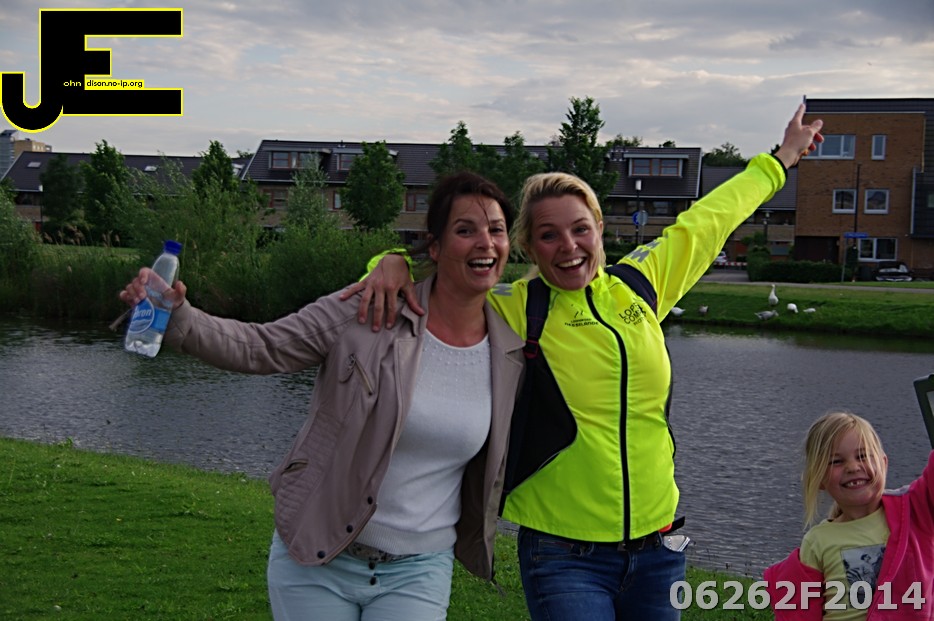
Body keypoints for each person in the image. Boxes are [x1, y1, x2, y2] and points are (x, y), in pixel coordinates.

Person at [345, 103, 825, 620]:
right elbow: (435, 276)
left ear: (599, 227)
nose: (568, 247)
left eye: (580, 229)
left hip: (659, 547)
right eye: (548, 235)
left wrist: (782, 158)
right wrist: (390, 260)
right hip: (562, 552)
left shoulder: (640, 286)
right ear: (528, 246)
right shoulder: (512, 309)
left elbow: (713, 217)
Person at [118, 171, 525, 621]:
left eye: (496, 230)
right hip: (317, 557)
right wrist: (179, 316)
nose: (485, 243)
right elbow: (262, 347)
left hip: (419, 569)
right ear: (435, 246)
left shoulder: (512, 346)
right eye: (465, 230)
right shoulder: (370, 308)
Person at [763, 412, 934, 620]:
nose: (853, 467)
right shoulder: (818, 541)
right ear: (820, 479)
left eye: (862, 456)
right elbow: (802, 612)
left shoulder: (915, 511)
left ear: (884, 463)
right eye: (836, 461)